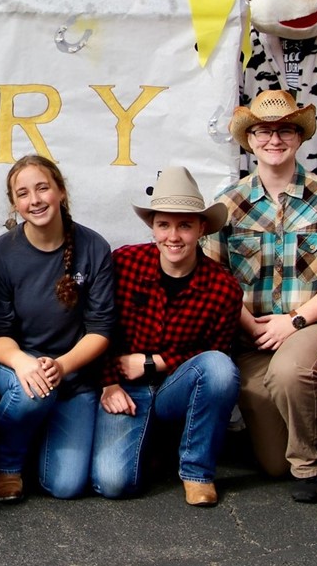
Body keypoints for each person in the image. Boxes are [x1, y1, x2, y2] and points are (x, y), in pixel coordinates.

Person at [204, 90, 317, 504]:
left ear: (300, 138)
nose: (274, 140)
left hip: (312, 324)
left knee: (289, 374)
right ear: (249, 140)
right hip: (251, 332)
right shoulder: (227, 206)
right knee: (272, 464)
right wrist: (250, 326)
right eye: (263, 131)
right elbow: (216, 279)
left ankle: (314, 466)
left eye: (285, 130)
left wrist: (297, 320)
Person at [91, 166, 241, 506]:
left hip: (178, 386)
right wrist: (108, 383)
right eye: (164, 225)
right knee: (113, 483)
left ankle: (196, 472)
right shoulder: (124, 263)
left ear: (202, 228)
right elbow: (98, 327)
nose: (173, 236)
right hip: (125, 385)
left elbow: (215, 354)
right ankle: (154, 446)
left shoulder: (223, 287)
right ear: (153, 227)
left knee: (219, 369)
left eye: (185, 225)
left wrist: (154, 361)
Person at [0, 155, 114, 502]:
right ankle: (6, 464)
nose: (35, 200)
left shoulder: (94, 248)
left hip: (73, 376)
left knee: (66, 486)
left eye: (43, 188)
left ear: (60, 191)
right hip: (20, 370)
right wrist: (24, 363)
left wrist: (61, 366)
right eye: (23, 193)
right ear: (14, 203)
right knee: (34, 392)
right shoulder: (0, 254)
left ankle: (38, 439)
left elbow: (100, 329)